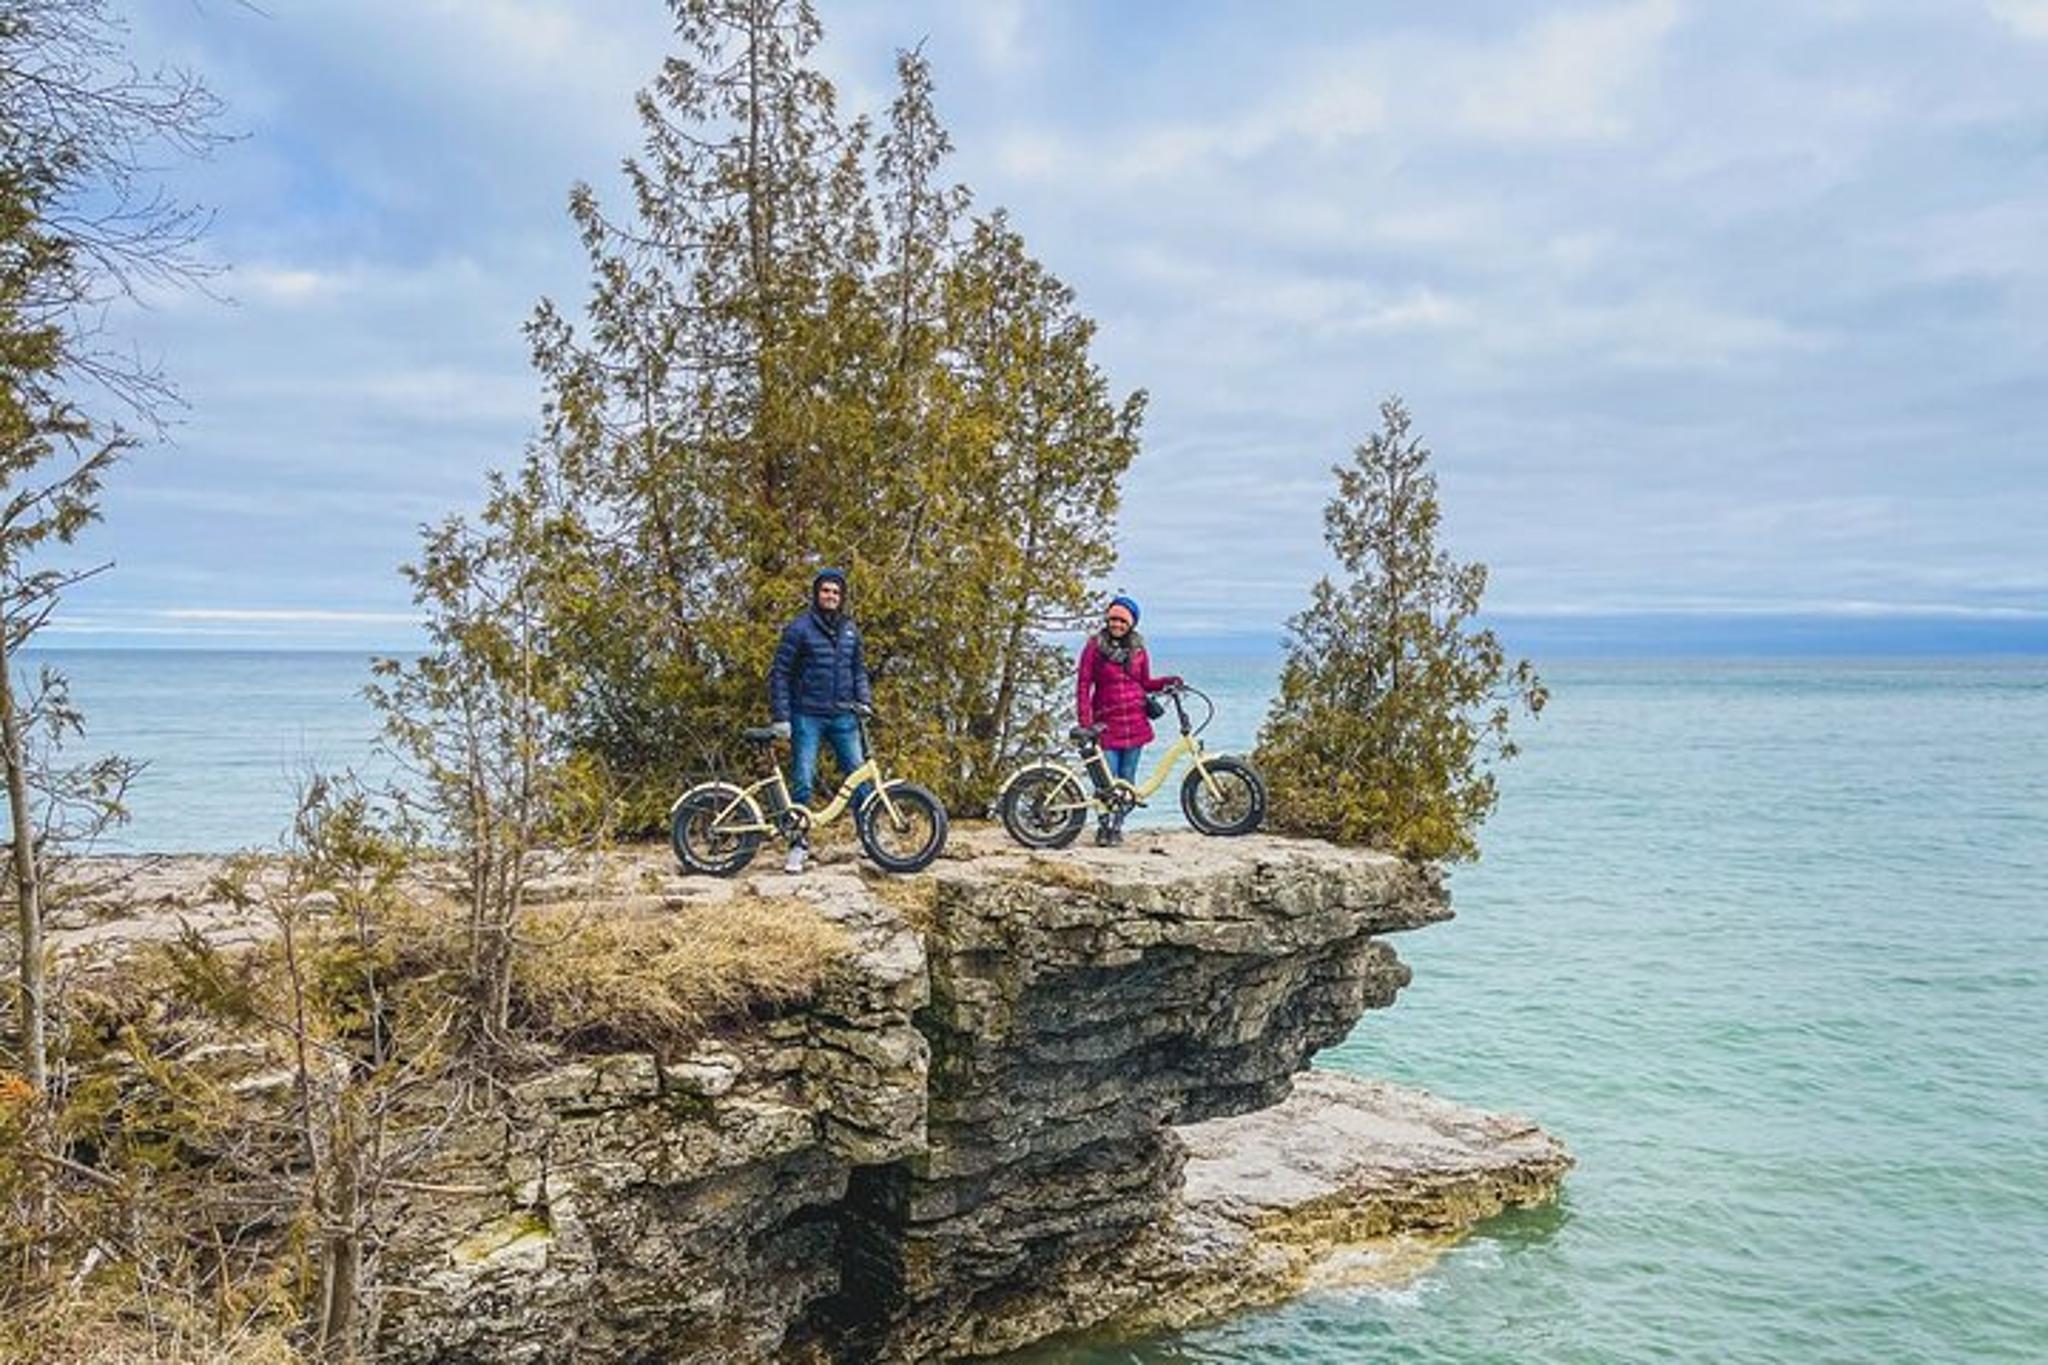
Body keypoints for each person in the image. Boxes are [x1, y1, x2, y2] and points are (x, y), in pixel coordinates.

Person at [768, 567, 873, 873]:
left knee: (859, 780)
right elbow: (780, 674)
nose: (831, 596)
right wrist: (781, 717)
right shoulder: (799, 628)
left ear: (842, 597)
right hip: (807, 716)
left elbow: (858, 670)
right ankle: (798, 847)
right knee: (802, 782)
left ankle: (870, 842)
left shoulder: (850, 629)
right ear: (817, 594)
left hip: (844, 716)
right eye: (826, 591)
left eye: (836, 592)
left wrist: (864, 700)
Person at [1074, 595, 1181, 846]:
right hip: (1106, 725)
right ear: (1107, 619)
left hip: (1135, 723)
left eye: (1122, 620)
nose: (1117, 624)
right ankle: (1103, 827)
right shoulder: (1094, 647)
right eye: (1113, 619)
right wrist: (1085, 723)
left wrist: (1168, 681)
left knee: (1127, 779)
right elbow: (1083, 685)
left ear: (1131, 623)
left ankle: (1117, 826)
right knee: (1106, 781)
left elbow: (1144, 683)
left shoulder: (1139, 650)